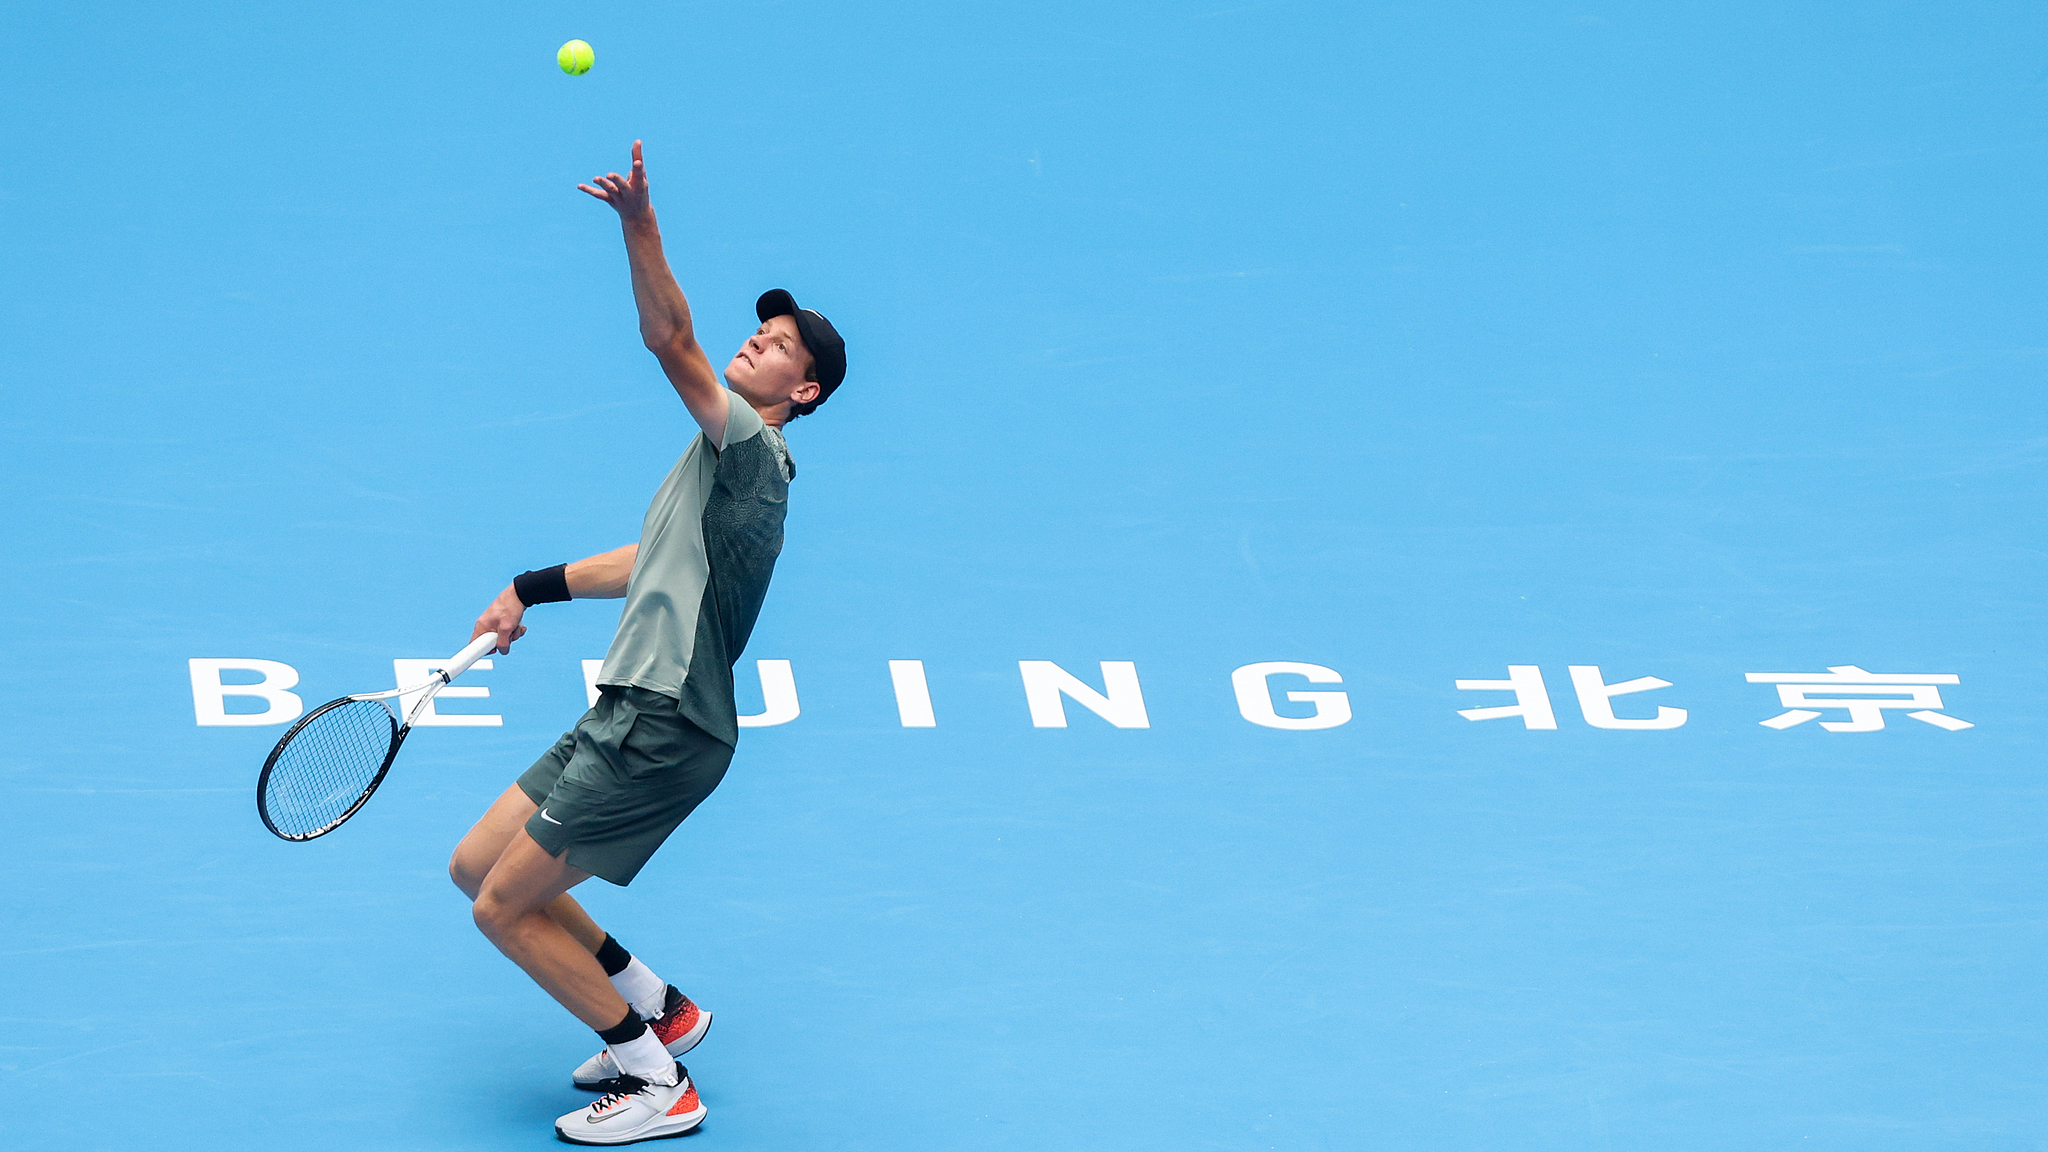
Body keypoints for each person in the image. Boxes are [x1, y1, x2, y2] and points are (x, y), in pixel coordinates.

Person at [446, 140, 846, 1146]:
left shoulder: (751, 446)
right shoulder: (721, 466)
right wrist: (526, 588)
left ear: (802, 391)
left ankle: (655, 1075)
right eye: (761, 327)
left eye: (780, 341)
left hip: (665, 725)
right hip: (626, 708)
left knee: (501, 910)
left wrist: (638, 224)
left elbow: (670, 340)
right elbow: (646, 562)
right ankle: (659, 1006)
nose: (759, 340)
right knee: (476, 865)